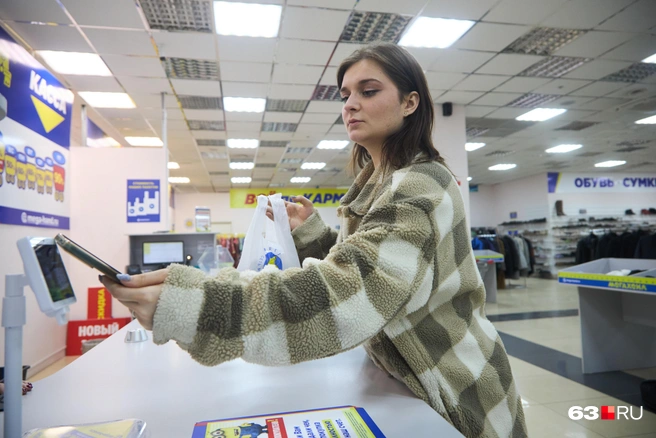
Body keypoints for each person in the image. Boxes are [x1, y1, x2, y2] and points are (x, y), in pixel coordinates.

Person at [102, 42, 527, 437]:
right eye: (345, 95)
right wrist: (312, 234)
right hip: (407, 379)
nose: (351, 104)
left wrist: (203, 305)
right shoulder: (379, 184)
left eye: (369, 90)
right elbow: (380, 274)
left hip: (456, 386)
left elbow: (355, 292)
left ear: (410, 102)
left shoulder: (421, 185)